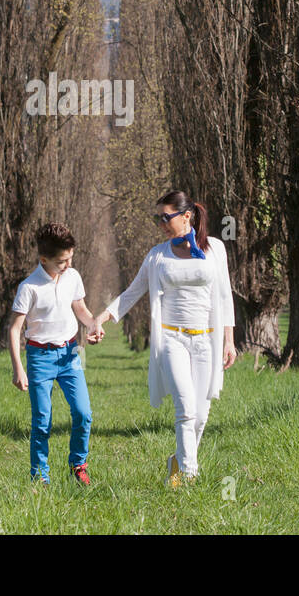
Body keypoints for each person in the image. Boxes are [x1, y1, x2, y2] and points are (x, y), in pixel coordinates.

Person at [92, 190, 236, 486]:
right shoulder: (158, 255)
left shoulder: (216, 250)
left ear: (187, 216)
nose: (160, 223)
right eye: (157, 218)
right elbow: (133, 292)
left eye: (165, 217)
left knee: (201, 416)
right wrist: (101, 318)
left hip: (206, 341)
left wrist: (229, 340)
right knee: (185, 407)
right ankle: (188, 477)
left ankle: (177, 461)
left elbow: (224, 295)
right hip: (172, 340)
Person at [7, 223, 104, 486]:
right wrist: (18, 368)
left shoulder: (72, 276)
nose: (68, 264)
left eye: (71, 257)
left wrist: (94, 325)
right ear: (44, 260)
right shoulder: (29, 287)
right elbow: (15, 330)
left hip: (71, 353)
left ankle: (78, 464)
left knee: (83, 413)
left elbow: (80, 309)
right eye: (62, 261)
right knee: (42, 422)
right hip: (39, 358)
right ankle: (40, 477)